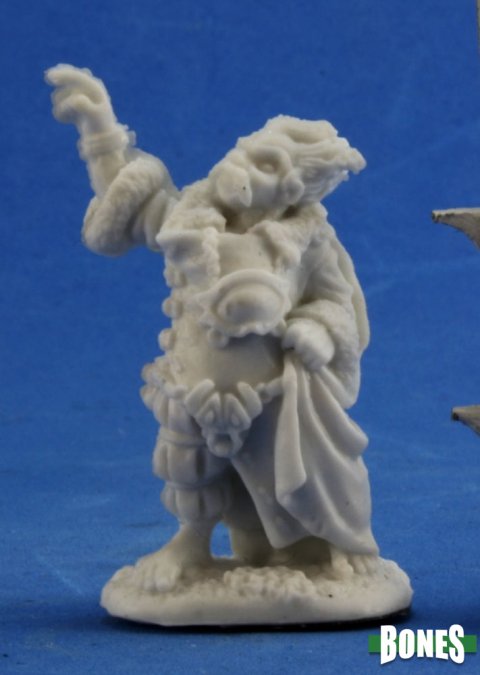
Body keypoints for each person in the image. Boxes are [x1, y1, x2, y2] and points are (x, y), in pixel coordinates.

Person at [46, 65, 379, 592]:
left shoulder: (305, 241)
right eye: (247, 150)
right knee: (187, 458)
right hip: (194, 379)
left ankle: (330, 541)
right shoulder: (187, 219)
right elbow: (125, 202)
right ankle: (191, 543)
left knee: (302, 474)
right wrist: (99, 131)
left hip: (273, 391)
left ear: (292, 190)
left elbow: (337, 302)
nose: (240, 163)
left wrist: (318, 329)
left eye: (265, 165)